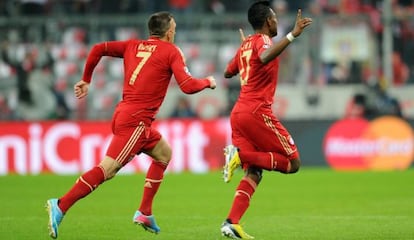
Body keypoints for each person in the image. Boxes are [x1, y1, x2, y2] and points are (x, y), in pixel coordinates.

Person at [46, 11, 216, 239]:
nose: (174, 31)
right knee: (107, 169)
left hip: (128, 116)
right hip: (136, 122)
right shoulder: (171, 51)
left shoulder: (133, 45)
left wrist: (86, 79)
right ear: (168, 32)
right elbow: (187, 85)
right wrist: (208, 82)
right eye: (173, 28)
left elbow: (98, 48)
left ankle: (145, 211)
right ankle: (60, 205)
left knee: (164, 154)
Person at [220, 1, 312, 239]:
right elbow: (262, 58)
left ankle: (232, 222)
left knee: (255, 173)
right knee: (293, 164)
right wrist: (293, 35)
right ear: (268, 21)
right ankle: (239, 155)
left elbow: (228, 72)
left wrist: (244, 51)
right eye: (274, 18)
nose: (277, 21)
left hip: (239, 113)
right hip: (256, 112)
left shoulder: (247, 45)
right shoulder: (263, 41)